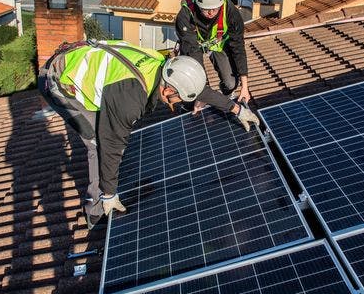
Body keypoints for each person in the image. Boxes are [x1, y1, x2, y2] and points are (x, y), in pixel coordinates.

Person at [38, 39, 259, 217]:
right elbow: (112, 144)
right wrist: (110, 192)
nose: (180, 105)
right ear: (166, 92)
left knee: (110, 128)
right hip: (57, 79)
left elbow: (196, 89)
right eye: (179, 101)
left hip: (87, 63)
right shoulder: (129, 101)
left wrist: (236, 109)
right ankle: (98, 208)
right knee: (98, 141)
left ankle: (105, 192)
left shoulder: (164, 66)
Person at [175, 0, 253, 110]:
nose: (211, 13)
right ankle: (190, 103)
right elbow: (193, 54)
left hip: (217, 46)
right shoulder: (185, 16)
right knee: (191, 90)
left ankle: (226, 95)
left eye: (215, 8)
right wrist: (202, 94)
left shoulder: (231, 12)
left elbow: (238, 48)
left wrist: (245, 86)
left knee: (230, 83)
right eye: (205, 9)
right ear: (197, 2)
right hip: (193, 48)